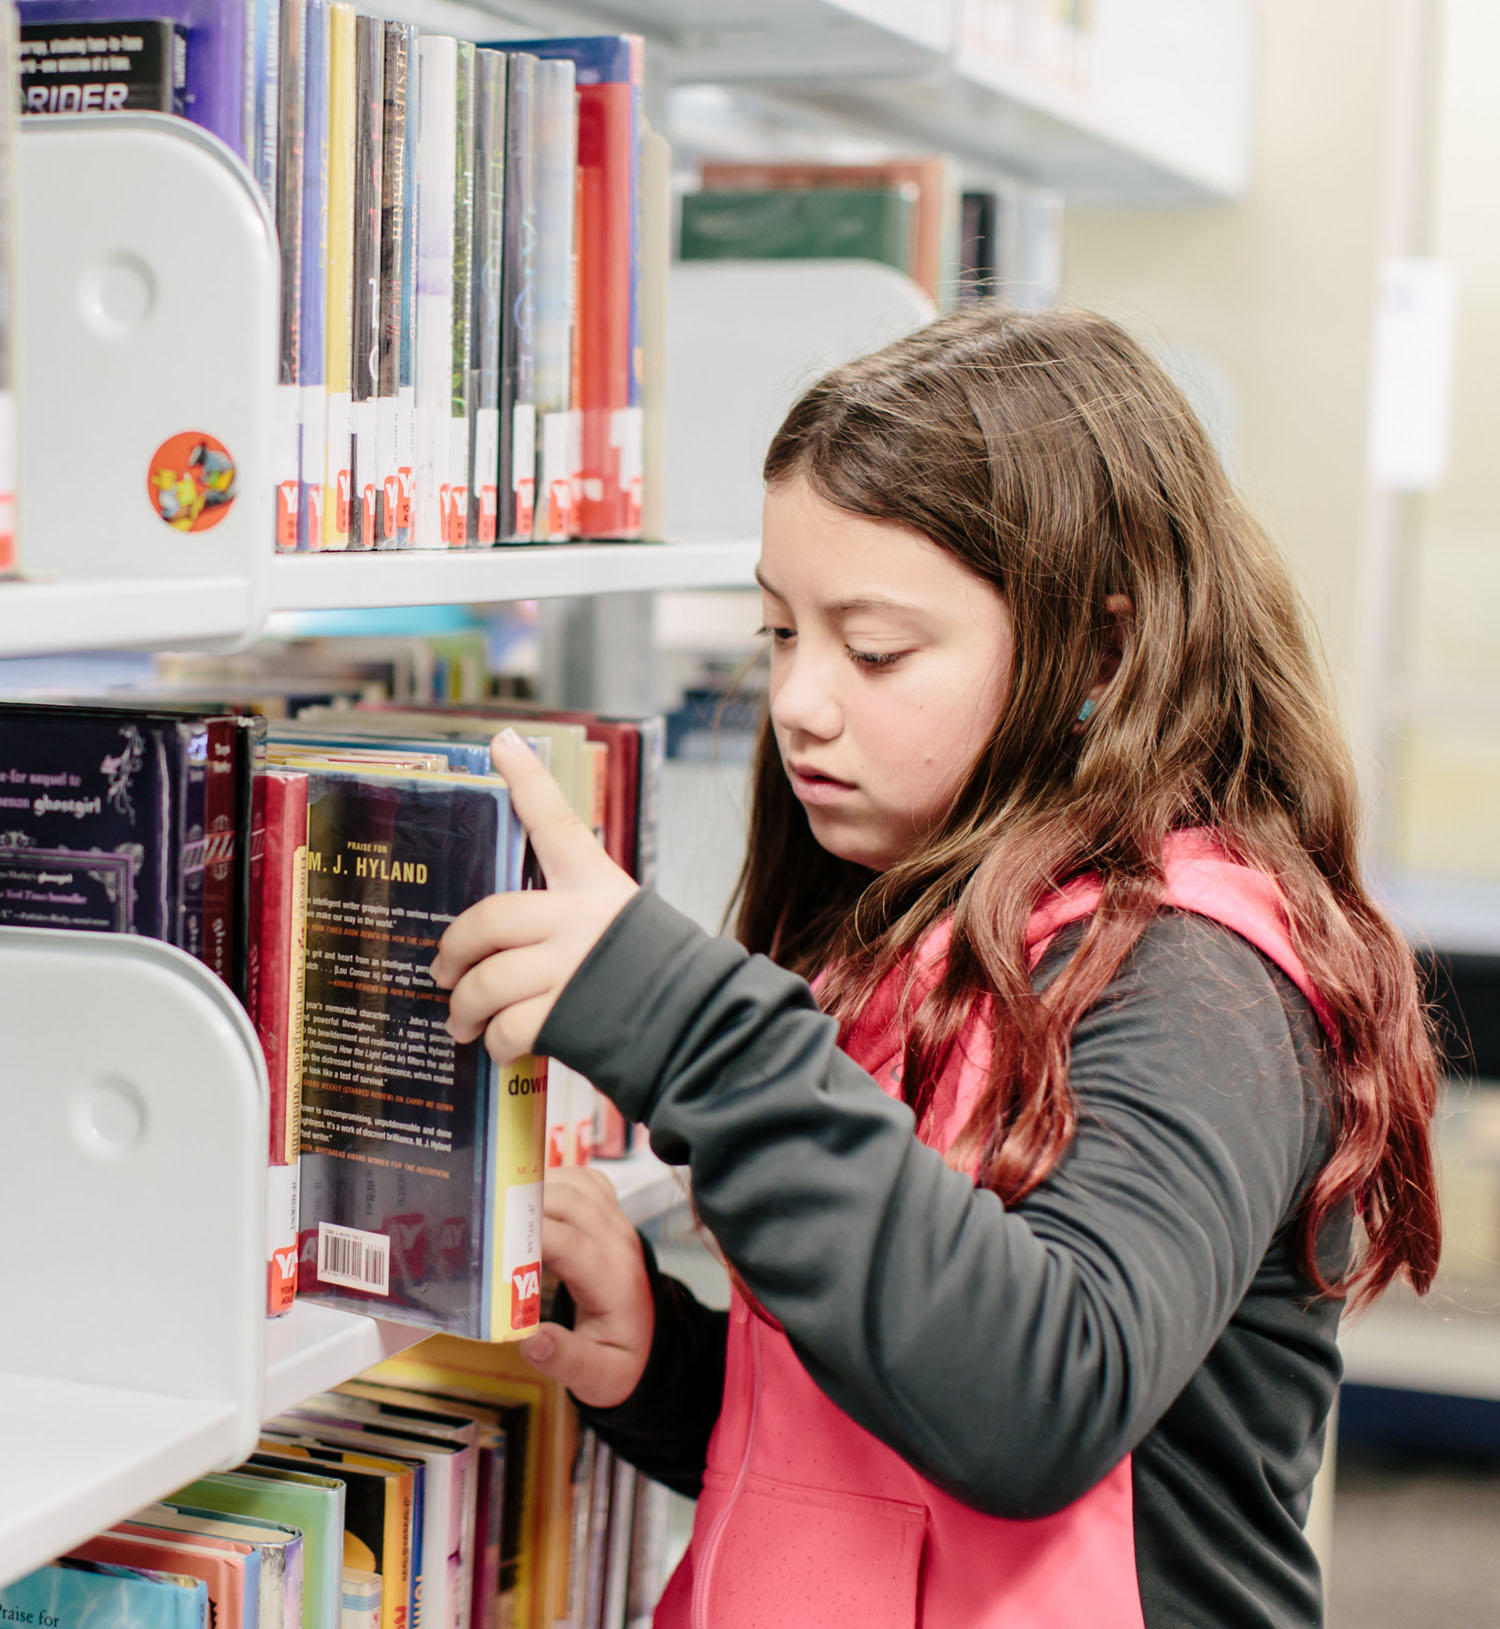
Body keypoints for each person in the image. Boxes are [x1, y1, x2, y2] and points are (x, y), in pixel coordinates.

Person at [429, 305, 1442, 1629]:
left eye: (879, 648)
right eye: (781, 632)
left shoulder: (1206, 980)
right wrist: (676, 1375)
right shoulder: (912, 940)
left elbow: (1038, 1405)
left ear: (1102, 653)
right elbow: (900, 1456)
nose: (799, 699)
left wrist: (695, 1031)